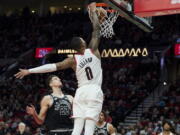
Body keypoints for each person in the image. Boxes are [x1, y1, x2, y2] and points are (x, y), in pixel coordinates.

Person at [15, 2, 103, 135]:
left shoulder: (72, 60)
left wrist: (30, 71)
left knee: (77, 128)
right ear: (83, 43)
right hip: (94, 90)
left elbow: (52, 67)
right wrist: (93, 14)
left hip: (80, 92)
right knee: (89, 127)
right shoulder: (93, 51)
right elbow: (96, 30)